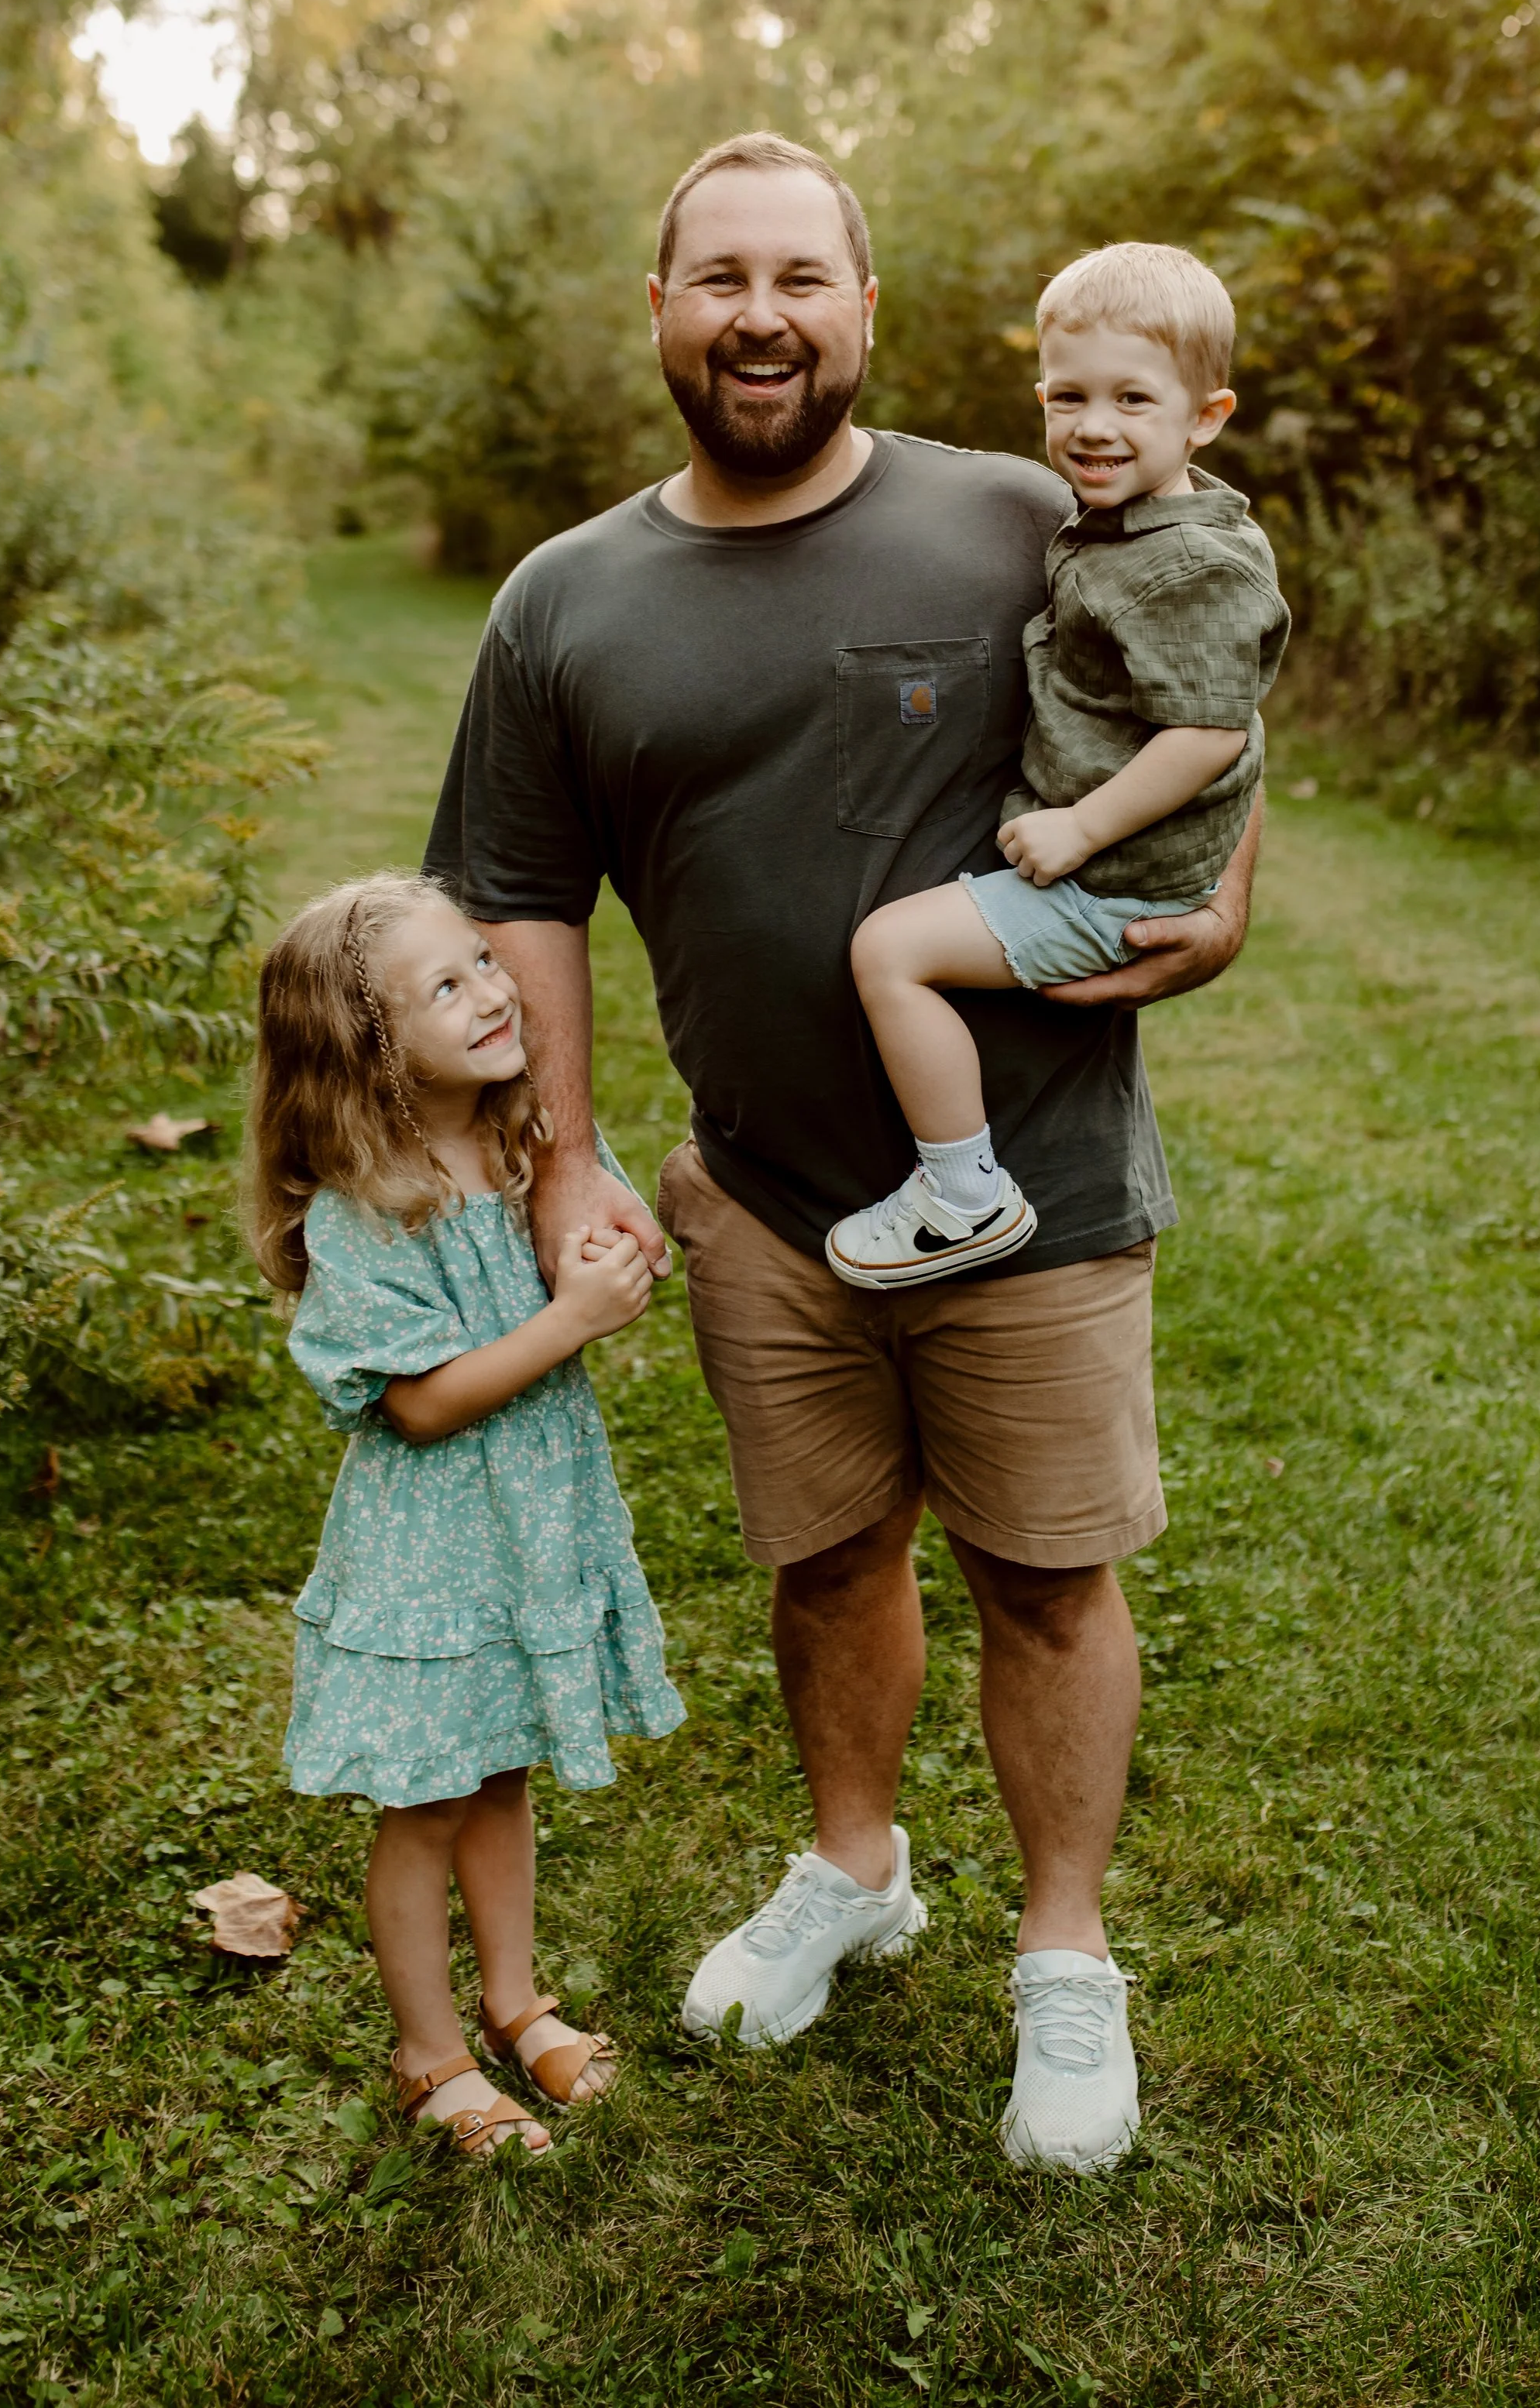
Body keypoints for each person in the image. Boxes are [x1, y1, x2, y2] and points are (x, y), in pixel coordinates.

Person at [425, 132, 1261, 2175]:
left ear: (866, 309)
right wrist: (566, 1156)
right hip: (765, 1202)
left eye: (800, 276)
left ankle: (1063, 1961)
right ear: (658, 311)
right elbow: (519, 898)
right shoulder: (565, 605)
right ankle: (855, 1872)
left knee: (1046, 1583)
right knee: (822, 1566)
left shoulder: (1008, 518)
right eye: (717, 276)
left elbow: (1210, 678)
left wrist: (1226, 900)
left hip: (1034, 1186)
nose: (759, 316)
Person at [242, 873, 683, 2163]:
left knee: (503, 1771)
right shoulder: (365, 1208)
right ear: (367, 1051)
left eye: (487, 961)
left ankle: (514, 2004)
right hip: (431, 1551)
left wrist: (611, 1255)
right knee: (425, 1804)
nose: (497, 992)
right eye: (450, 985)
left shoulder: (520, 1138)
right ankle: (428, 2054)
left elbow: (585, 1255)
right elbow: (421, 1408)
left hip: (525, 1526)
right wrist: (570, 1322)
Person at [826, 242, 1287, 1288]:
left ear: (1205, 416)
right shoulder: (1130, 523)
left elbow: (1214, 730)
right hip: (1107, 864)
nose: (1092, 425)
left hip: (1111, 885)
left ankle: (962, 1193)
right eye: (1068, 395)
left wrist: (1080, 828)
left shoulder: (1191, 563)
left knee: (889, 953)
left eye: (1133, 398)